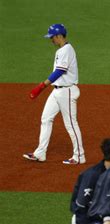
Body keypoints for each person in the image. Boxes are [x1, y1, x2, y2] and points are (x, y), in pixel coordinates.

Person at [24, 23, 85, 165]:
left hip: (67, 91)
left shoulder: (67, 50)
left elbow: (60, 71)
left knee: (70, 124)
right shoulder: (62, 50)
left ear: (59, 36)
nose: (51, 40)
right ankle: (40, 153)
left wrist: (41, 86)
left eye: (52, 37)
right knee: (46, 118)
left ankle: (79, 156)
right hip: (57, 91)